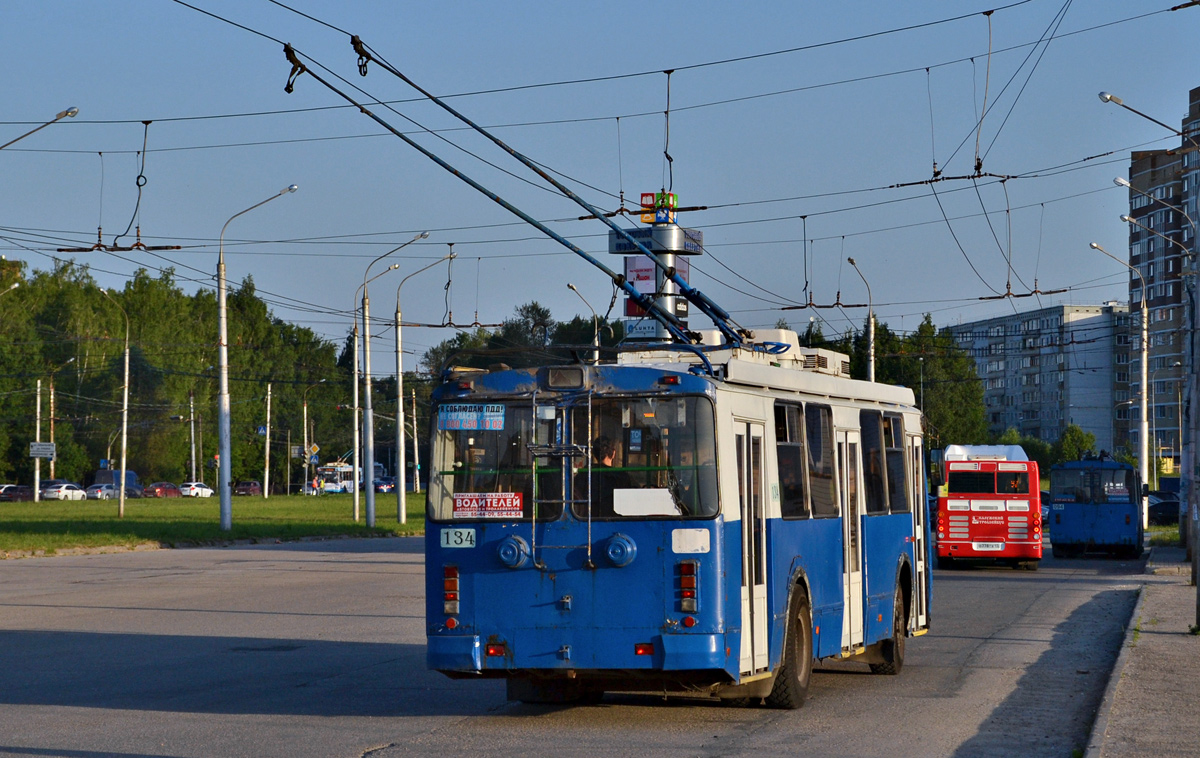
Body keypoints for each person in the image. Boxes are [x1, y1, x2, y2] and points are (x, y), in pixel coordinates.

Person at [576, 435, 633, 517]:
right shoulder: (621, 476)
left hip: (588, 518)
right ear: (613, 454)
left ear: (594, 454)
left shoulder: (584, 473)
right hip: (615, 521)